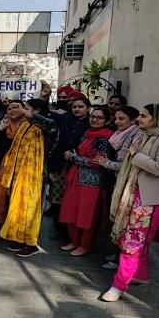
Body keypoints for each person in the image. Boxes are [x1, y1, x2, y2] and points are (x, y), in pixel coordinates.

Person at [100, 104, 159, 302]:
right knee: (133, 240)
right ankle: (140, 275)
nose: (139, 119)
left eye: (144, 116)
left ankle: (119, 285)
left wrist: (135, 155)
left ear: (157, 119)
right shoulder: (141, 136)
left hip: (149, 200)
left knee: (132, 242)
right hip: (132, 194)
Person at [0, 99, 57, 257]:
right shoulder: (25, 124)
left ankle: (31, 244)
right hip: (18, 174)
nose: (23, 111)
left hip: (34, 175)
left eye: (27, 108)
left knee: (31, 209)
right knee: (18, 207)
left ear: (37, 110)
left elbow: (51, 126)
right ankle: (19, 238)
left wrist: (28, 114)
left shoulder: (45, 124)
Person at [59, 106, 114, 256]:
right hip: (77, 178)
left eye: (99, 117)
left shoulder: (106, 138)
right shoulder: (86, 134)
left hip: (93, 182)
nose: (94, 119)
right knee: (73, 211)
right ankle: (74, 241)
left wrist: (75, 158)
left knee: (87, 215)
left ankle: (85, 244)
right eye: (92, 116)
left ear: (107, 120)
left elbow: (97, 161)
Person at [93, 105, 140, 269]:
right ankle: (118, 254)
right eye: (116, 118)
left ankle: (122, 258)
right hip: (116, 181)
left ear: (133, 120)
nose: (117, 122)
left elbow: (124, 164)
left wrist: (107, 163)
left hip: (126, 183)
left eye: (122, 119)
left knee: (122, 221)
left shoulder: (134, 135)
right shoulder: (120, 134)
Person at [47, 95, 91, 239]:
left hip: (79, 166)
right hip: (60, 164)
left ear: (88, 108)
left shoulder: (91, 123)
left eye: (81, 107)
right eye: (74, 107)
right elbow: (58, 141)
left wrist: (74, 154)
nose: (77, 109)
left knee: (72, 199)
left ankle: (71, 232)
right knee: (56, 196)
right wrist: (52, 167)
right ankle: (59, 229)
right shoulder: (65, 119)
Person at [0, 100, 26, 223]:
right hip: (1, 167)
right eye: (9, 109)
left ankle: (12, 224)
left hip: (19, 169)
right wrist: (0, 128)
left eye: (15, 107)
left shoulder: (28, 127)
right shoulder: (4, 124)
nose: (12, 110)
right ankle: (0, 218)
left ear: (24, 109)